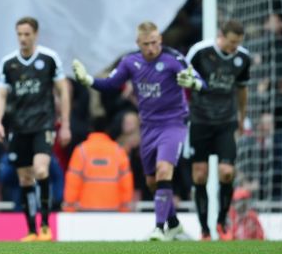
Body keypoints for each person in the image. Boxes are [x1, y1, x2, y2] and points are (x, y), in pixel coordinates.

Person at [73, 21, 204, 241]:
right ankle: (173, 225)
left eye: (154, 43)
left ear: (160, 39)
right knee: (153, 182)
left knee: (164, 170)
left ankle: (159, 229)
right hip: (149, 127)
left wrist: (193, 83)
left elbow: (200, 81)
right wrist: (88, 80)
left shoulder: (173, 59)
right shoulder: (130, 62)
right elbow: (110, 84)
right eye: (146, 44)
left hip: (173, 124)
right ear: (138, 43)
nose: (151, 48)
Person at [0, 16, 71, 242]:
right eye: (20, 34)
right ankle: (31, 230)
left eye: (27, 34)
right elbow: (1, 95)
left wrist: (64, 123)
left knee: (42, 171)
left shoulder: (48, 59)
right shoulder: (9, 63)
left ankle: (46, 225)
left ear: (35, 34)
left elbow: (63, 90)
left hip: (43, 124)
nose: (23, 38)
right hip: (18, 127)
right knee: (25, 179)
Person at [185, 19, 251, 241]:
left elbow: (241, 90)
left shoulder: (243, 58)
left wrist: (242, 116)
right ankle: (205, 230)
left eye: (238, 43)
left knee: (226, 172)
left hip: (226, 121)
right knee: (200, 174)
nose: (234, 48)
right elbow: (182, 81)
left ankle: (222, 223)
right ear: (221, 35)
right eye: (232, 42)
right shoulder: (200, 52)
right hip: (200, 121)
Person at [63, 117, 133, 212]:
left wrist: (69, 208)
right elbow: (126, 182)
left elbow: (73, 181)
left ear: (91, 129)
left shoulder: (81, 150)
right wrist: (125, 209)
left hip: (85, 209)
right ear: (108, 130)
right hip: (113, 209)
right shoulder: (118, 151)